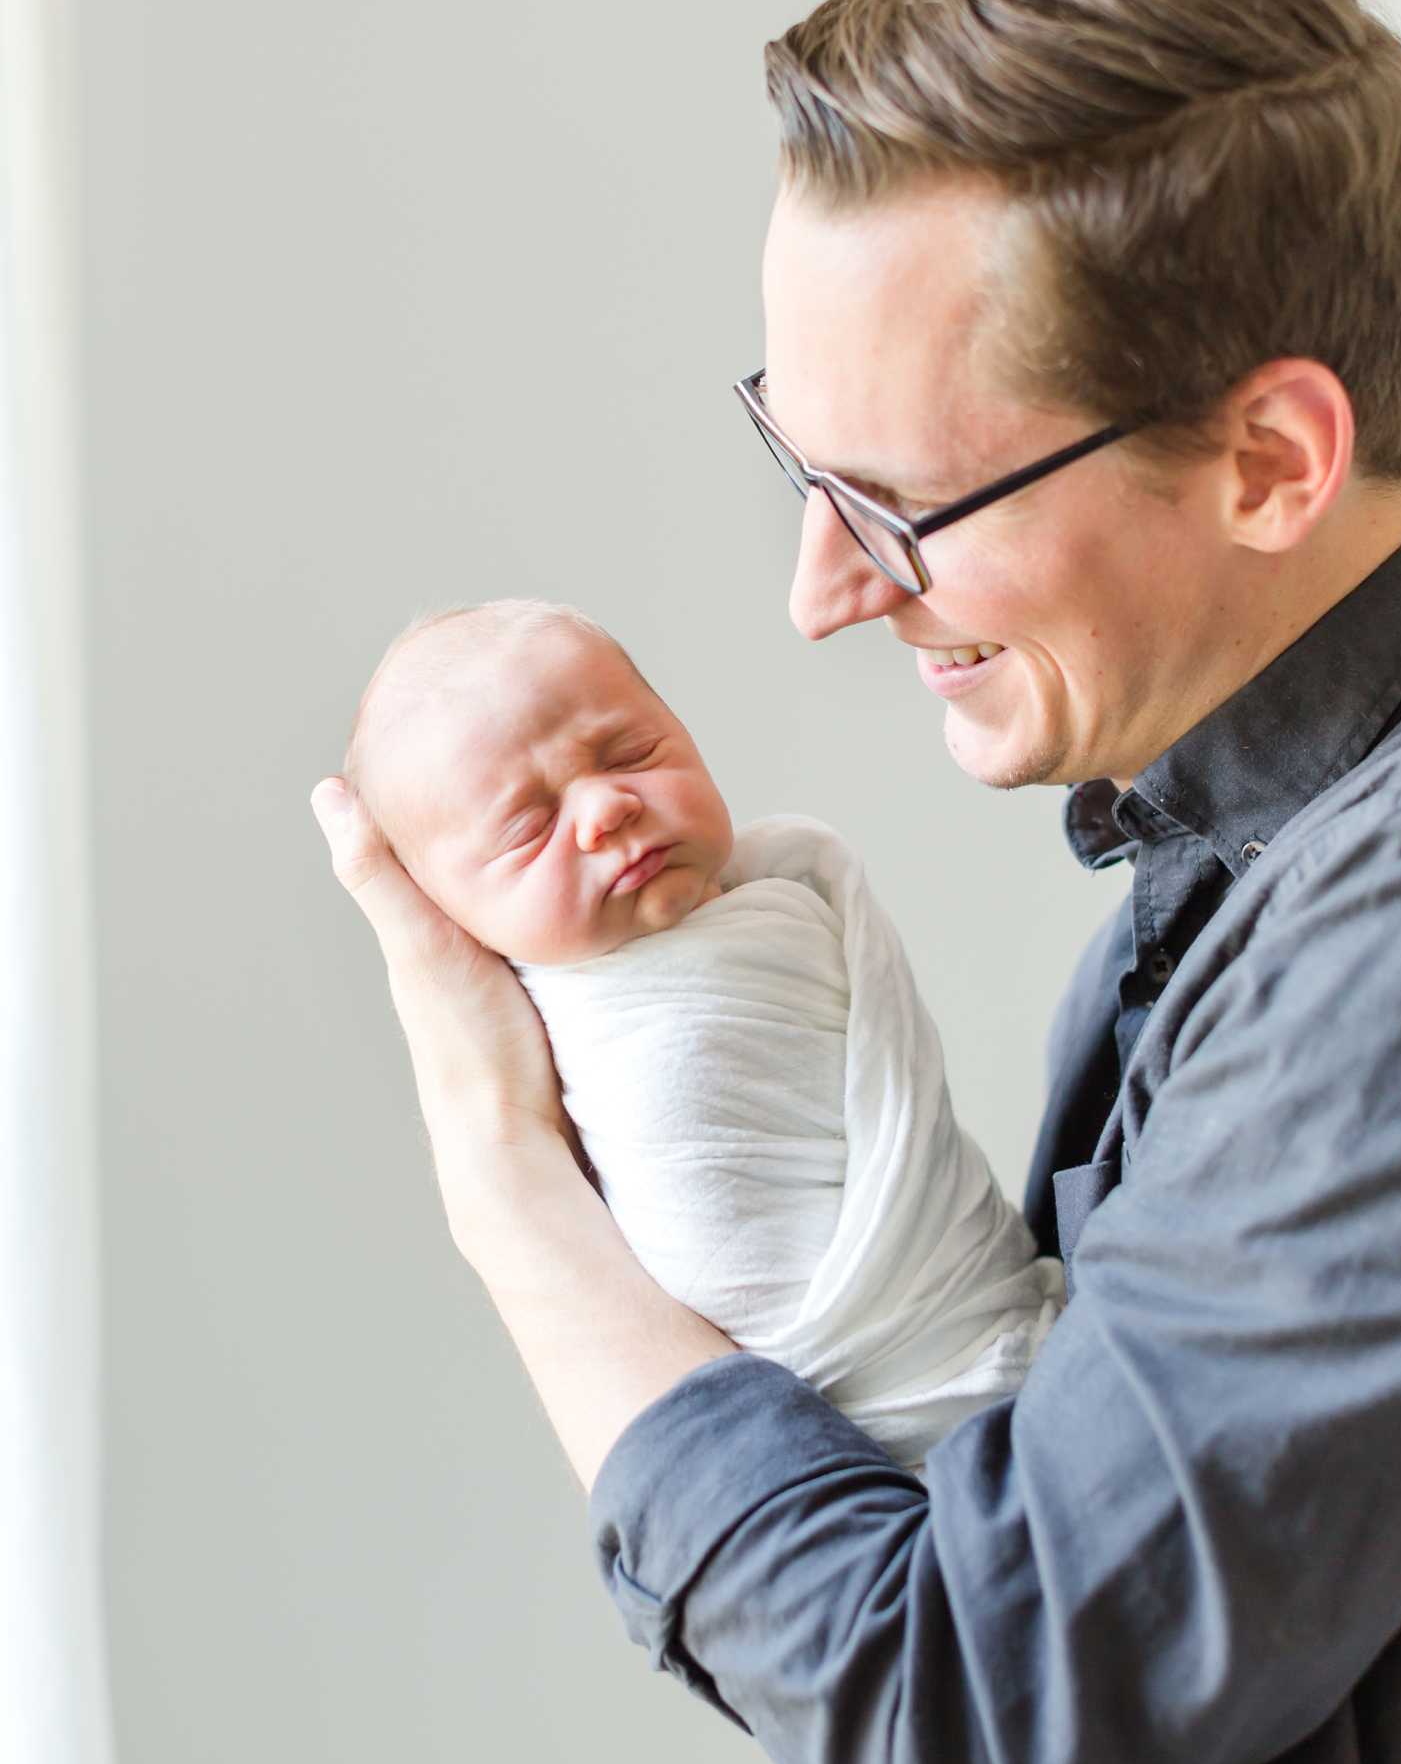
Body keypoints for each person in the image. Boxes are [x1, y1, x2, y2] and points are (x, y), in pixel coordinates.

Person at [312, 0, 1401, 1764]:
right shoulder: (1258, 837)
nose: (819, 596)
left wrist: (515, 1200)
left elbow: (965, 1756)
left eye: (901, 508)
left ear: (1269, 459)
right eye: (796, 458)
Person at [342, 596, 1061, 1468]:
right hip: (845, 1430)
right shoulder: (557, 1030)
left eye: (631, 753)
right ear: (447, 913)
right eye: (529, 828)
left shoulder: (792, 901)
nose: (605, 807)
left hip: (1003, 1329)